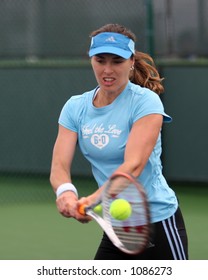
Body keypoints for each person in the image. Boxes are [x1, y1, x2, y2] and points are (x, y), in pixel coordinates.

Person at [50, 23, 188, 260]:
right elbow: (59, 166)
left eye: (117, 61)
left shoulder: (147, 102)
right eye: (100, 60)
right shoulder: (75, 107)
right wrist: (66, 193)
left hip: (157, 221)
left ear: (131, 61)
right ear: (91, 60)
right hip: (116, 226)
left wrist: (92, 200)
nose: (107, 70)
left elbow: (133, 166)